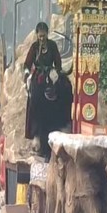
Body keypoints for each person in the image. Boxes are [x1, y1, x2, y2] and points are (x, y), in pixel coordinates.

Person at [23, 22, 65, 158]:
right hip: (38, 77)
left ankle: (61, 122)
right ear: (37, 35)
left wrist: (56, 72)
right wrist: (26, 74)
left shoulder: (52, 45)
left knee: (62, 91)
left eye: (44, 35)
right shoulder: (34, 47)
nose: (42, 38)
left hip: (50, 76)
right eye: (40, 36)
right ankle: (36, 131)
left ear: (47, 34)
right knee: (33, 98)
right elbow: (27, 64)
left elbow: (58, 62)